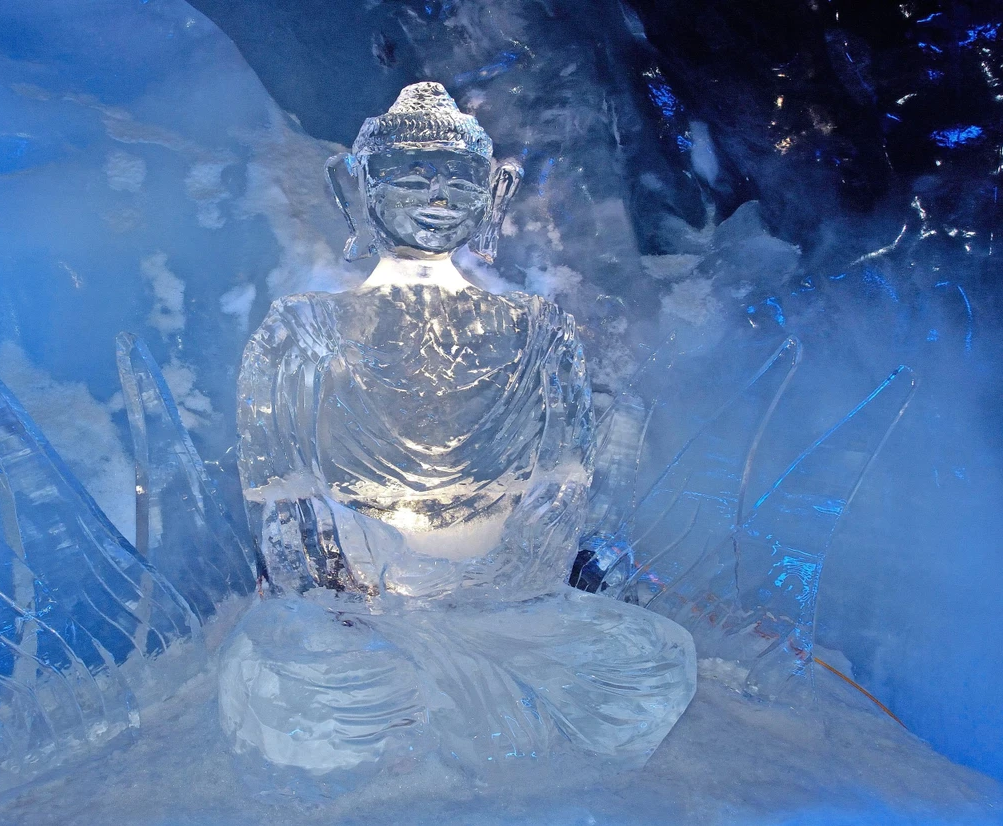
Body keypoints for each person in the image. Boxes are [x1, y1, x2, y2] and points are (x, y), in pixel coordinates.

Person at [220, 82, 696, 779]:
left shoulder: (539, 331)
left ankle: (441, 709)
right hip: (361, 619)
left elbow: (563, 487)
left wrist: (500, 582)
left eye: (459, 178)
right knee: (301, 690)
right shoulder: (302, 332)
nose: (436, 195)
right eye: (409, 176)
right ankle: (453, 710)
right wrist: (352, 594)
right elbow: (279, 506)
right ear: (354, 185)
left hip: (506, 601)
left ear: (495, 194)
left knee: (649, 663)